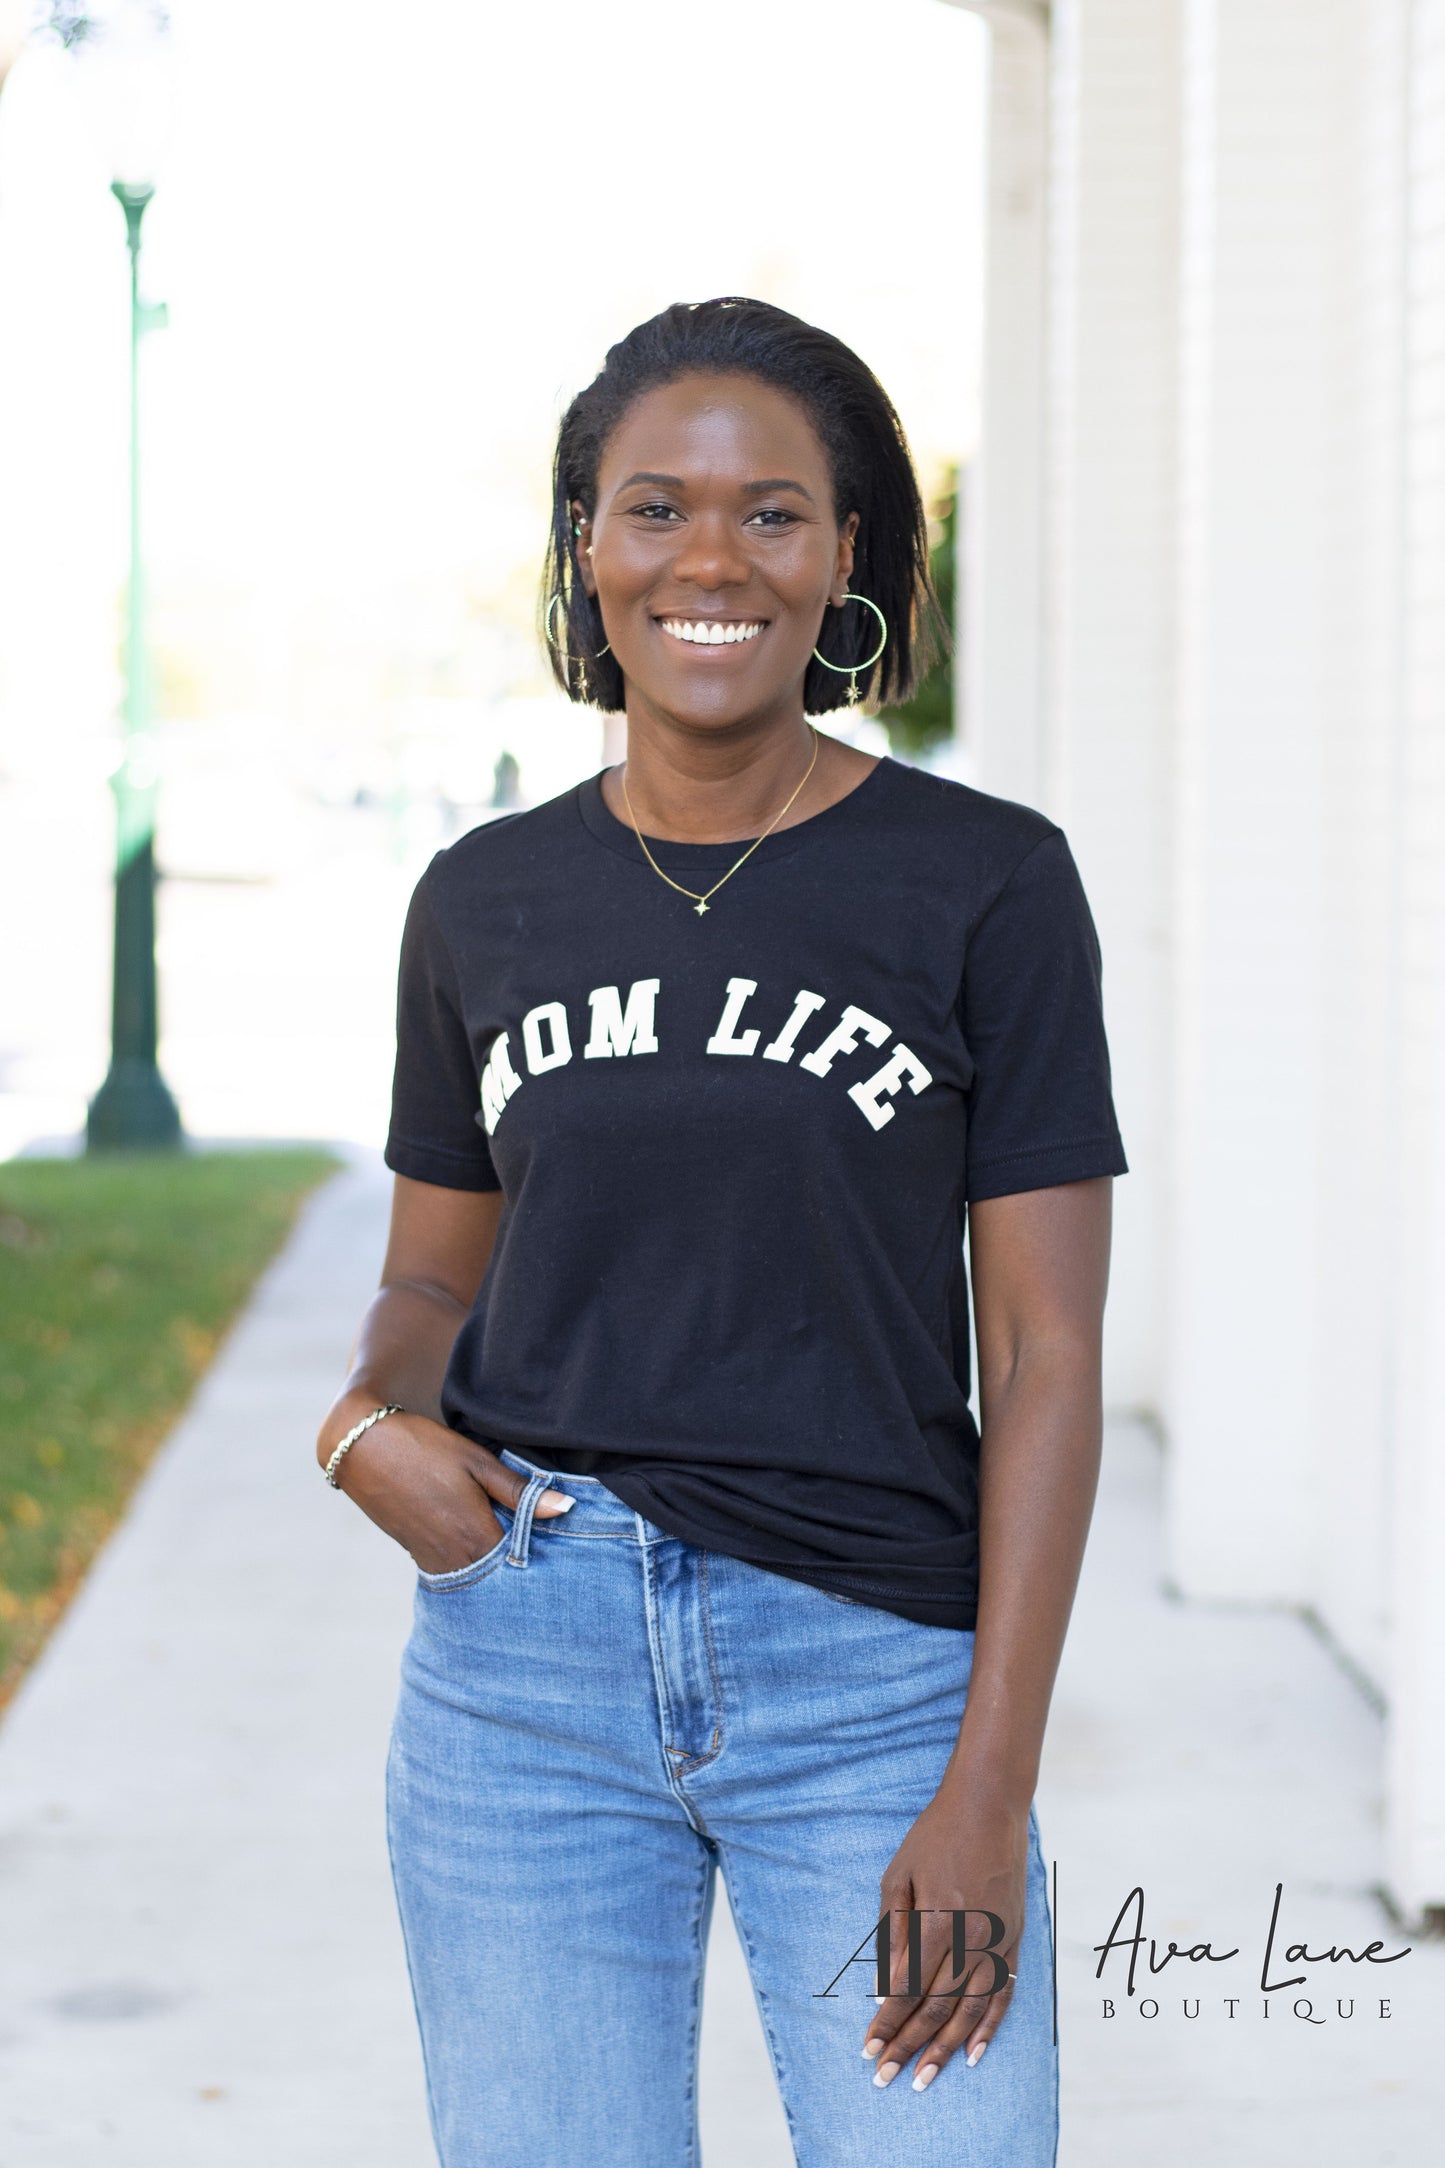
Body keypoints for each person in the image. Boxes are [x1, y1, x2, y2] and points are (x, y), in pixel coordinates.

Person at [315, 296, 1126, 2168]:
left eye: (773, 512)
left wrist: (987, 1783)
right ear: (583, 553)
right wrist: (371, 1431)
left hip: (875, 1687)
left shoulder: (984, 882)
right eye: (652, 507)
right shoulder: (484, 899)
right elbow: (434, 1268)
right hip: (521, 1676)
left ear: (848, 554)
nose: (711, 558)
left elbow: (1050, 1356)